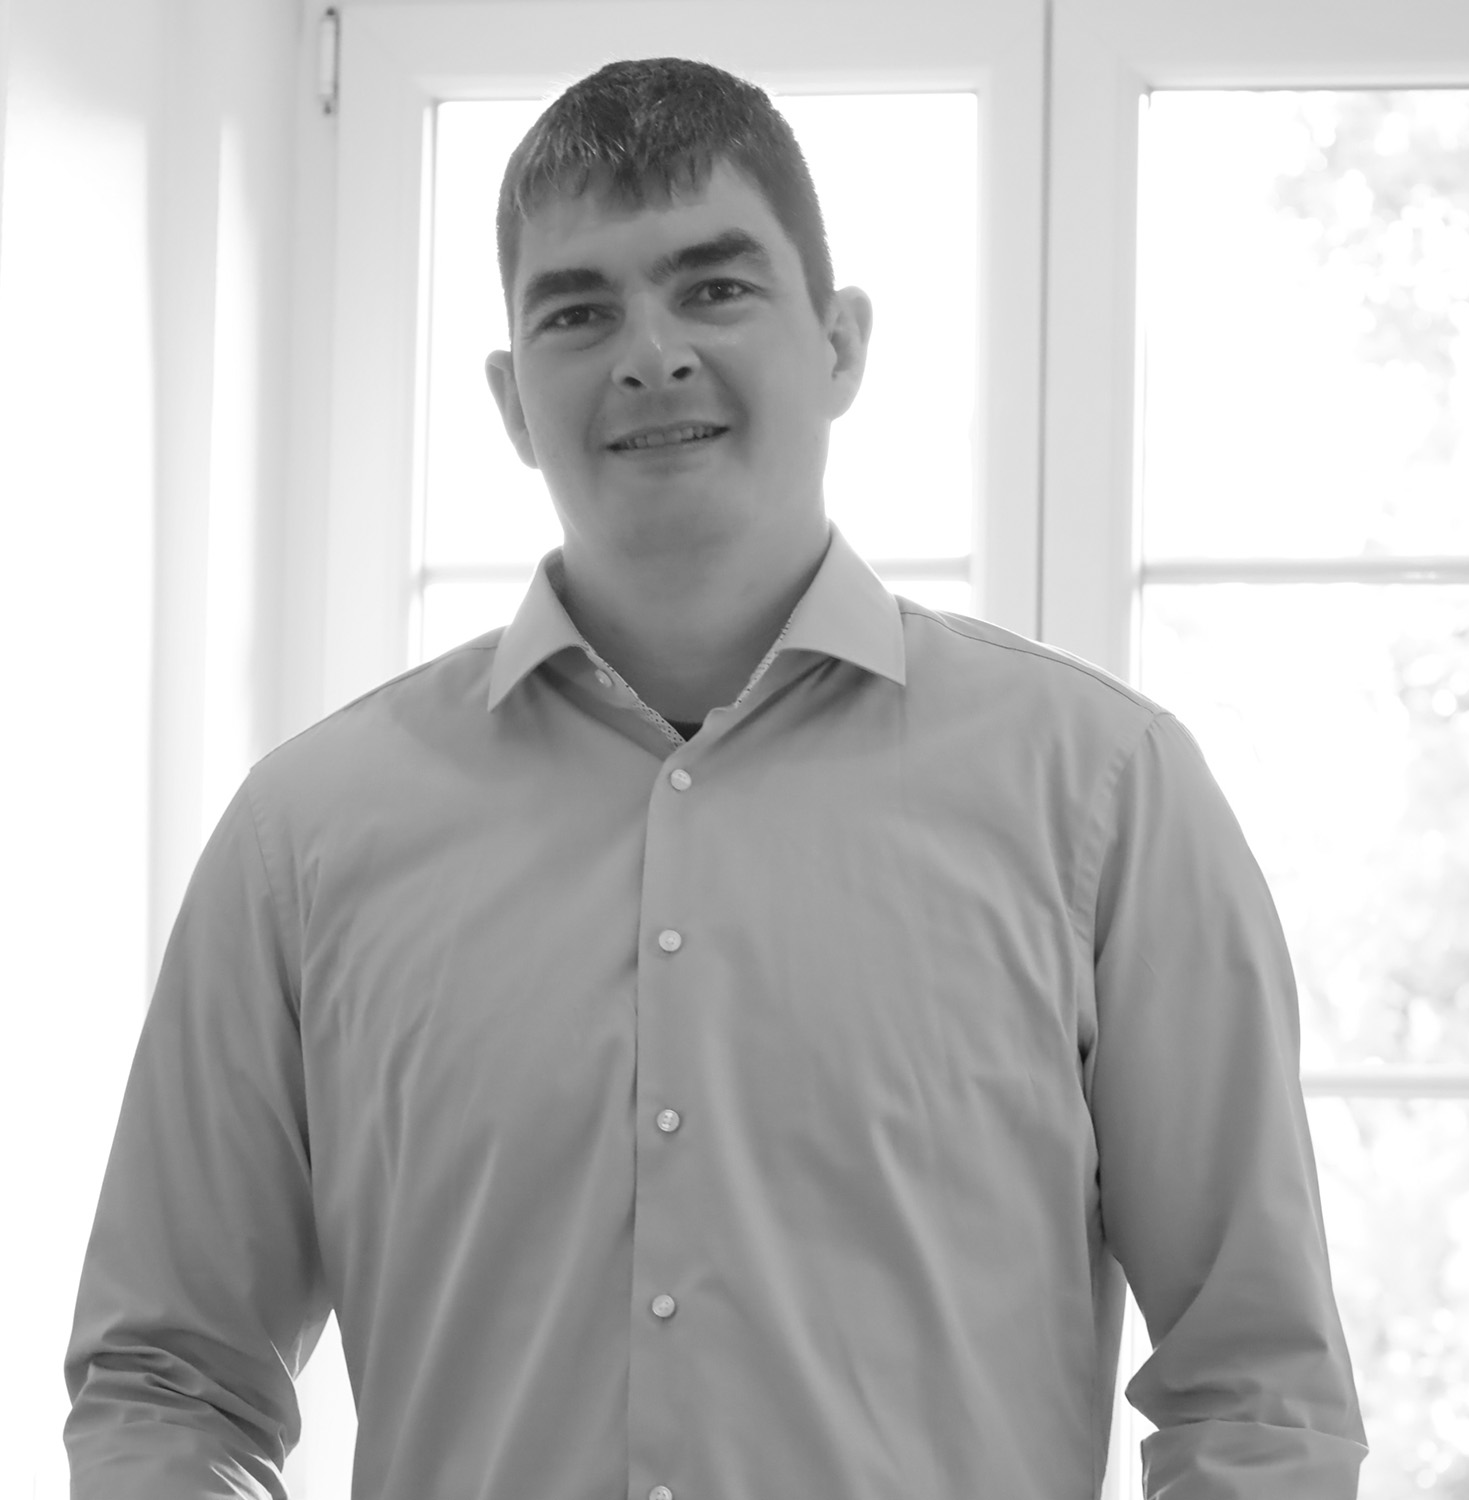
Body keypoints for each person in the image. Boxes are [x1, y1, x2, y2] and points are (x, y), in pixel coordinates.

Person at [63, 55, 1368, 1500]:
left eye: (715, 287)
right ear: (510, 399)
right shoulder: (306, 839)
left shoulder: (1107, 797)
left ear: (840, 343)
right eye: (578, 311)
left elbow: (1259, 1396)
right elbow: (164, 1383)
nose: (650, 354)